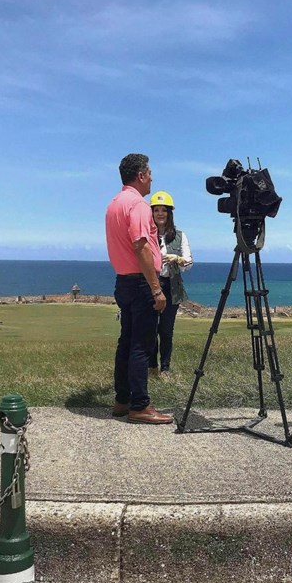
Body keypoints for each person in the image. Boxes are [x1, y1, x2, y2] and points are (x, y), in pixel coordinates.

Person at [105, 153, 173, 425]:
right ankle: (140, 405)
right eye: (150, 173)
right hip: (141, 283)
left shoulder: (114, 204)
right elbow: (142, 246)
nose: (152, 178)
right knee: (142, 345)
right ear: (141, 175)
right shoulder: (139, 205)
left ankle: (122, 399)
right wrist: (156, 289)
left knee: (126, 341)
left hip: (123, 281)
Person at [149, 191, 193, 375]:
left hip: (170, 286)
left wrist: (177, 258)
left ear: (169, 213)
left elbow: (189, 262)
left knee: (166, 331)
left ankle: (165, 368)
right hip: (151, 285)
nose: (160, 214)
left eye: (164, 210)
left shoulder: (180, 235)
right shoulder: (147, 234)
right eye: (156, 210)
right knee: (150, 329)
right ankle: (152, 367)